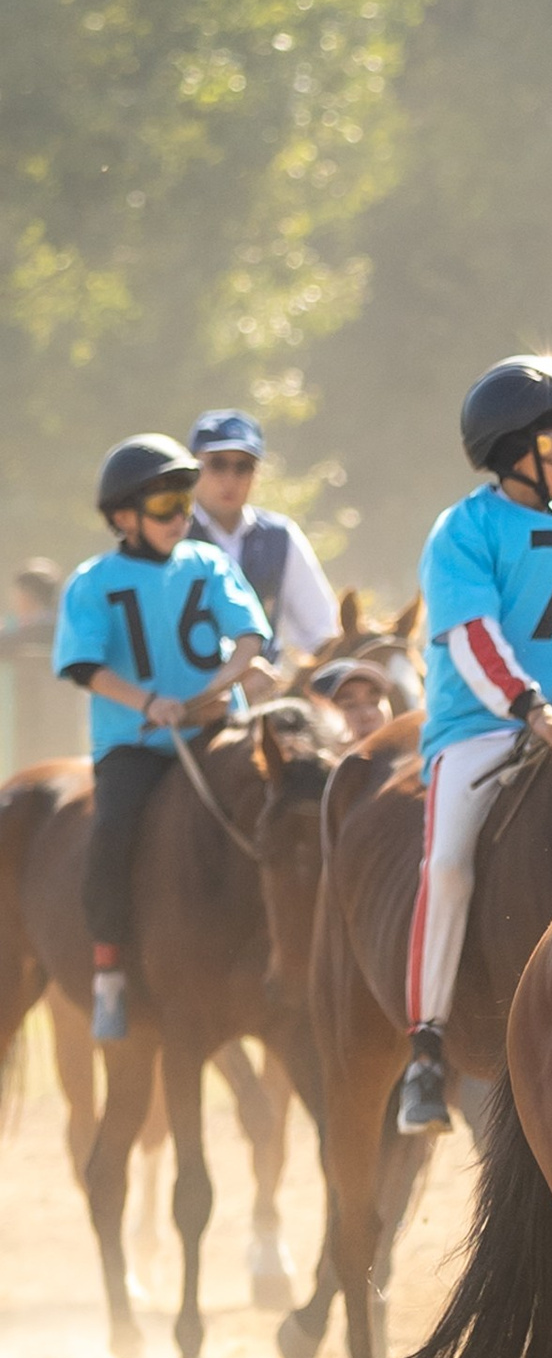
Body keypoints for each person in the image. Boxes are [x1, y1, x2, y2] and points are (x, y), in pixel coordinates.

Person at [404, 354, 552, 1135]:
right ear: (514, 449)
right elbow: (471, 635)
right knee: (450, 864)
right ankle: (427, 1044)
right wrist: (528, 705)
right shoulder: (464, 528)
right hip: (482, 729)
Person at [52, 437, 273, 1039]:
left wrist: (224, 683)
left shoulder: (208, 562)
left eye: (184, 502)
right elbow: (82, 667)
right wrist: (150, 702)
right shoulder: (93, 581)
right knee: (113, 830)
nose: (180, 516)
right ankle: (110, 970)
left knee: (283, 802)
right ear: (124, 517)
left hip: (213, 730)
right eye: (164, 506)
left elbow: (251, 637)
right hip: (135, 743)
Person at [185, 410, 339, 661]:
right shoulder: (171, 535)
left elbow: (321, 631)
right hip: (188, 695)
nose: (230, 478)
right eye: (217, 464)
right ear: (192, 467)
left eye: (243, 467)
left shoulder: (280, 536)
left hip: (265, 693)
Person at [0, 561, 85, 766]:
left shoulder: (20, 634)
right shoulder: (69, 629)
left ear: (25, 595)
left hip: (28, 724)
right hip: (66, 725)